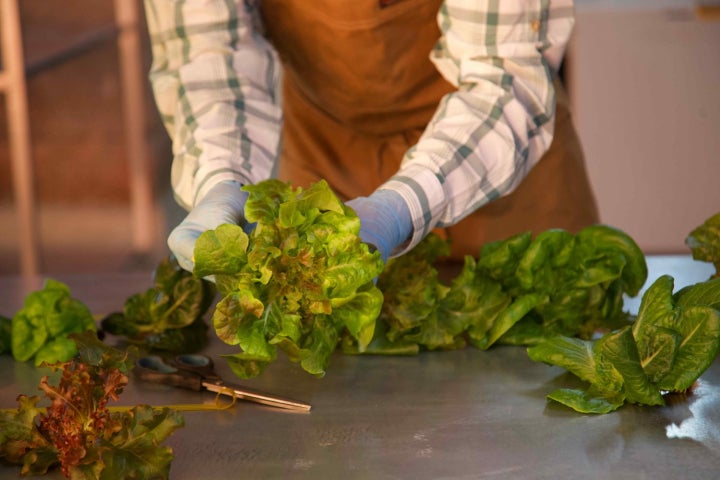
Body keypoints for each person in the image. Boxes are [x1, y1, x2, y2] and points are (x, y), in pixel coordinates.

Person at [143, 0, 598, 274]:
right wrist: (223, 176)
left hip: (504, 164)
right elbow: (208, 51)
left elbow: (505, 72)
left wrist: (398, 208)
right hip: (324, 158)